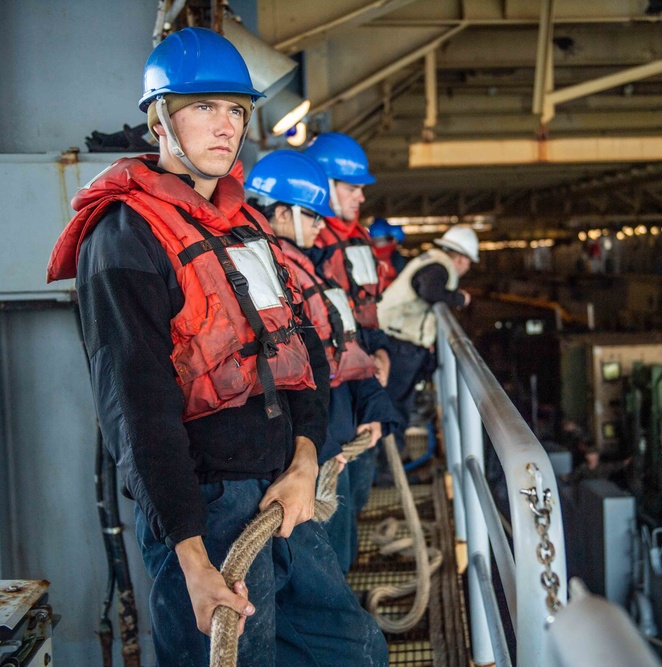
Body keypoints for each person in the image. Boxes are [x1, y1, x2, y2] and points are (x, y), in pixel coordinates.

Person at [46, 28, 387, 665]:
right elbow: (136, 410)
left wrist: (305, 461)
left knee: (354, 649)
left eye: (235, 109)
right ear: (158, 118)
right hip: (207, 510)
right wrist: (193, 560)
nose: (225, 125)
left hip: (284, 491)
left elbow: (306, 353)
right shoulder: (123, 238)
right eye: (203, 107)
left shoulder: (245, 227)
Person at [246, 150, 398, 573]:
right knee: (324, 565)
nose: (320, 225)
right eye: (312, 216)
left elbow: (335, 345)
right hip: (317, 443)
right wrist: (317, 448)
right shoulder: (274, 272)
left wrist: (368, 406)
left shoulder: (305, 266)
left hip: (332, 433)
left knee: (339, 552)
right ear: (281, 214)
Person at [303, 132, 389, 523]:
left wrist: (381, 350)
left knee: (354, 498)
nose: (361, 197)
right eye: (353, 187)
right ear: (323, 184)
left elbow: (364, 312)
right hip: (333, 401)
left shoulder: (357, 241)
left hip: (361, 386)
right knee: (332, 511)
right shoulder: (305, 251)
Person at [377, 226, 478, 446]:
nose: (467, 267)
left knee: (396, 400)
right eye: (469, 261)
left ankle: (389, 454)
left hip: (395, 337)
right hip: (400, 342)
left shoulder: (432, 260)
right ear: (460, 258)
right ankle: (388, 459)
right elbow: (429, 291)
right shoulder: (440, 267)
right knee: (397, 403)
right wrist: (459, 299)